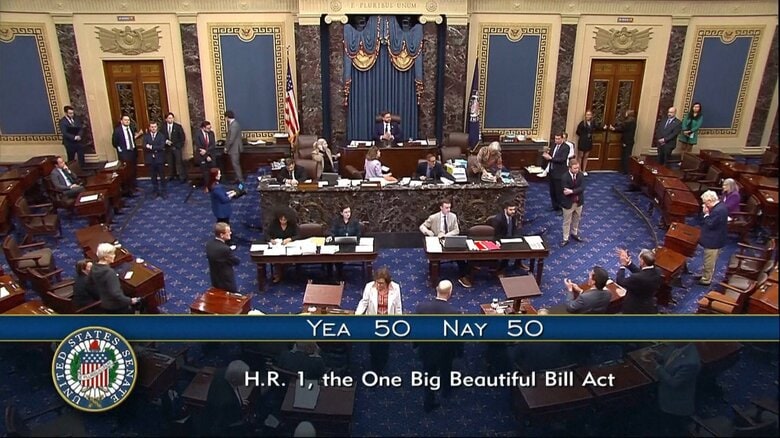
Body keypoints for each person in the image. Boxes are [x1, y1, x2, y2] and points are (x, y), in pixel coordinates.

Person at [415, 280, 463, 412]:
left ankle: (428, 402)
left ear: (437, 289)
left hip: (426, 350)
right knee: (446, 371)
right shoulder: (454, 313)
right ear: (450, 293)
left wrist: (416, 345)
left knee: (429, 376)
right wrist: (459, 352)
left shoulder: (421, 308)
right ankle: (446, 391)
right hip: (445, 353)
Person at [642, 343, 701, 435]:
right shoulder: (676, 346)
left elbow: (673, 383)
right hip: (664, 397)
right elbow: (670, 360)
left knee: (674, 430)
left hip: (675, 406)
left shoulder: (691, 362)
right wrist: (658, 356)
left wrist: (656, 365)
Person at [356, 267, 403, 373]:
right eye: (377, 282)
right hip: (373, 320)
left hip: (387, 322)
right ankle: (374, 367)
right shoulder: (369, 286)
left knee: (384, 346)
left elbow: (398, 306)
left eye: (381, 283)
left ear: (387, 282)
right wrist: (357, 315)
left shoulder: (395, 288)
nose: (378, 285)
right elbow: (364, 302)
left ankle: (382, 367)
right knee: (373, 346)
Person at [89, 243, 140, 313]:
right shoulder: (109, 272)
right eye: (112, 254)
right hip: (117, 307)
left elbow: (91, 285)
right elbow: (116, 294)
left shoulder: (94, 268)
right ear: (106, 257)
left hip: (104, 304)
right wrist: (130, 301)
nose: (114, 255)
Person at [203, 360, 250, 436]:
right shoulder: (228, 402)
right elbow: (233, 422)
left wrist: (239, 401)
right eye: (244, 377)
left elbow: (235, 389)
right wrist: (238, 405)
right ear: (234, 380)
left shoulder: (221, 372)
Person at [615, 248, 662, 314]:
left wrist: (622, 266)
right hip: (648, 303)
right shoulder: (658, 271)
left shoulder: (636, 278)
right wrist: (629, 264)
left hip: (634, 307)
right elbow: (643, 273)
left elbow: (620, 281)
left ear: (642, 262)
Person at [698, 190, 729, 286]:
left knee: (709, 261)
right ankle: (705, 275)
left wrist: (706, 214)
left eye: (705, 203)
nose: (704, 205)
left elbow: (710, 224)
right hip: (716, 238)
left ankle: (706, 279)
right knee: (709, 260)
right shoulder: (720, 206)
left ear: (710, 200)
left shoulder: (718, 211)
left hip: (713, 241)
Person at [491, 201, 528, 274]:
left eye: (514, 209)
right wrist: (498, 242)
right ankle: (501, 269)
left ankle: (518, 263)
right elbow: (496, 234)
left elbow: (514, 229)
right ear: (505, 209)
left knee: (522, 245)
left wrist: (517, 237)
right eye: (510, 210)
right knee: (506, 251)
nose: (513, 211)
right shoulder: (498, 219)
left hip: (510, 238)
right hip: (501, 239)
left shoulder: (513, 216)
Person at [206, 222, 240, 292]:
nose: (230, 233)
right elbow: (236, 262)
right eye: (228, 232)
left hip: (214, 278)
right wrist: (229, 251)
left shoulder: (209, 244)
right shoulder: (225, 249)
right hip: (226, 281)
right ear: (222, 235)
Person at [266, 211, 298, 283]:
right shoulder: (274, 224)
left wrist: (290, 239)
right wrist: (271, 240)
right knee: (277, 258)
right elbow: (266, 235)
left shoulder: (292, 225)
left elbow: (298, 235)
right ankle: (278, 274)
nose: (283, 221)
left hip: (290, 246)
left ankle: (287, 271)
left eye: (285, 220)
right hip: (277, 246)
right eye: (281, 219)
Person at [542, 133, 570, 215]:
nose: (556, 140)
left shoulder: (566, 147)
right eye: (555, 139)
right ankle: (554, 206)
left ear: (562, 139)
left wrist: (551, 158)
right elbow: (551, 155)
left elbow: (562, 159)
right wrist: (547, 154)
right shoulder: (554, 145)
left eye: (558, 139)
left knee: (559, 192)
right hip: (552, 171)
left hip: (560, 173)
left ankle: (561, 208)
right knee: (552, 190)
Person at [560, 159, 585, 247]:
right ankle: (565, 238)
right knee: (567, 221)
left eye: (578, 168)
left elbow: (582, 188)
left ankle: (574, 233)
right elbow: (565, 191)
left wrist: (572, 191)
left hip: (578, 202)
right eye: (575, 168)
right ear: (570, 168)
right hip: (568, 203)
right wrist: (575, 191)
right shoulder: (564, 177)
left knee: (576, 219)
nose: (577, 170)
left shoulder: (581, 175)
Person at [112, 115, 139, 193]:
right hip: (124, 153)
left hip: (133, 152)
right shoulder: (117, 131)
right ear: (121, 121)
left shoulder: (131, 128)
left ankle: (133, 186)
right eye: (125, 120)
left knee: (133, 170)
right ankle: (127, 190)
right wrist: (120, 150)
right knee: (127, 172)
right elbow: (114, 142)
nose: (127, 121)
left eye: (128, 120)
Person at [608, 109, 637, 174]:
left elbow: (622, 127)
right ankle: (624, 169)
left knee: (625, 156)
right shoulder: (633, 121)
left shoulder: (629, 121)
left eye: (626, 113)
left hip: (627, 141)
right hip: (629, 141)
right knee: (626, 155)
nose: (625, 114)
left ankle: (625, 170)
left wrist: (614, 128)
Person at [143, 121, 167, 198]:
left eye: (155, 127)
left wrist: (151, 147)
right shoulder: (146, 136)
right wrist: (155, 147)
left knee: (162, 176)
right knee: (153, 176)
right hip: (150, 159)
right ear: (149, 128)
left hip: (159, 159)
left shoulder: (161, 136)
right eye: (152, 127)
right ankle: (155, 191)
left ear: (157, 127)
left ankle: (163, 191)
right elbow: (144, 146)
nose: (153, 128)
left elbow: (161, 146)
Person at [194, 120, 218, 192]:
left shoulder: (211, 133)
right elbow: (199, 147)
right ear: (203, 128)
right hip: (202, 156)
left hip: (211, 155)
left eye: (210, 128)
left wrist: (206, 152)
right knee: (205, 172)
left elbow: (213, 145)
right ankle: (207, 186)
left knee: (213, 171)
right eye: (208, 128)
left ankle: (213, 186)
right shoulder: (197, 134)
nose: (209, 129)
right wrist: (206, 156)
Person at [163, 112, 186, 182]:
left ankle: (182, 177)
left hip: (176, 148)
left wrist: (179, 146)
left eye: (172, 118)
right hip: (168, 148)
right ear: (166, 119)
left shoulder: (178, 126)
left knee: (179, 162)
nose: (171, 119)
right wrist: (166, 141)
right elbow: (161, 137)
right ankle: (171, 175)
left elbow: (182, 137)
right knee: (170, 163)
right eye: (169, 118)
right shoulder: (163, 127)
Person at [224, 110, 244, 182]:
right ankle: (238, 178)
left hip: (234, 148)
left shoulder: (234, 125)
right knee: (235, 164)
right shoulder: (234, 124)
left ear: (227, 117)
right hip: (234, 148)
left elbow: (231, 139)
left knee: (235, 164)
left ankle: (240, 180)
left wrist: (226, 148)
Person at [575, 110, 596, 176]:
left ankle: (584, 170)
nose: (588, 116)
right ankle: (579, 170)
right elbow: (577, 132)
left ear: (591, 116)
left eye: (589, 115)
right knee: (580, 156)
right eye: (587, 115)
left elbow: (596, 128)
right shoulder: (582, 123)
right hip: (582, 141)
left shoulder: (593, 123)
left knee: (586, 156)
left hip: (589, 141)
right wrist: (584, 136)